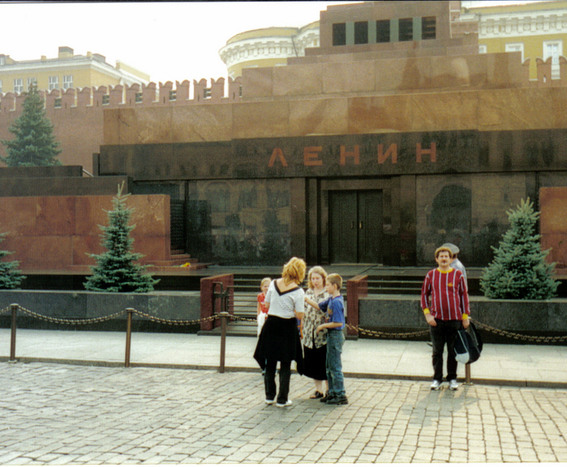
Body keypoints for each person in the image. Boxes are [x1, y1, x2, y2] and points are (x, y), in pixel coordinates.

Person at [254, 257, 306, 407]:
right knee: (285, 363)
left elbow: (267, 303)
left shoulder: (273, 283)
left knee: (270, 362)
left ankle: (269, 396)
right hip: (287, 327)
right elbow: (300, 315)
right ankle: (282, 399)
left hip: (271, 324)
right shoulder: (298, 291)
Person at [421, 245, 470, 391]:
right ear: (436, 259)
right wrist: (427, 314)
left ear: (450, 259)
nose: (443, 258)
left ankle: (452, 379)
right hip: (436, 320)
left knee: (452, 351)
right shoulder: (431, 275)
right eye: (441, 256)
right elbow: (424, 295)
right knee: (437, 351)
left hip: (454, 320)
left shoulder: (457, 275)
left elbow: (464, 296)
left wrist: (465, 317)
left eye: (446, 256)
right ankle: (437, 379)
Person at [305, 273, 348, 405]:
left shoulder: (336, 301)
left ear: (334, 286)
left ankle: (340, 394)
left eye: (328, 285)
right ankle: (332, 393)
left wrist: (322, 325)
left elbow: (339, 323)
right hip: (330, 336)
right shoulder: (330, 299)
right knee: (328, 366)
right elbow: (318, 306)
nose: (326, 287)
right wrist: (305, 299)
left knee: (335, 367)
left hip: (335, 335)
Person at [301, 266, 330, 399]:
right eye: (313, 278)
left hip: (322, 332)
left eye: (317, 278)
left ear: (323, 278)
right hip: (309, 331)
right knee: (312, 361)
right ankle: (318, 390)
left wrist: (307, 300)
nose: (315, 281)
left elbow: (322, 309)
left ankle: (328, 389)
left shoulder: (327, 293)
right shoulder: (308, 292)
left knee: (323, 361)